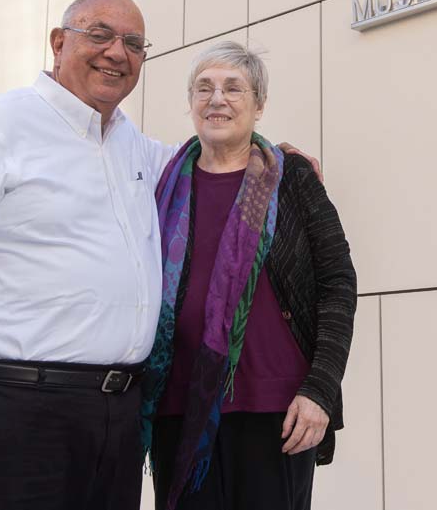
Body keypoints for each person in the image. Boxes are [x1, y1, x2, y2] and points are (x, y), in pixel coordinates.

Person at [0, 0, 317, 510]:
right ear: (58, 43)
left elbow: (215, 157)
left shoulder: (132, 145)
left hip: (117, 420)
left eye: (133, 43)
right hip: (15, 411)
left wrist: (276, 156)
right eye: (99, 35)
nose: (117, 52)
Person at [141, 41, 356, 510]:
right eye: (204, 88)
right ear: (191, 102)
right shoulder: (162, 181)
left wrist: (320, 390)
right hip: (180, 408)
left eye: (233, 88)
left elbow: (337, 283)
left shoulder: (290, 176)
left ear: (259, 105)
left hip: (275, 410)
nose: (217, 99)